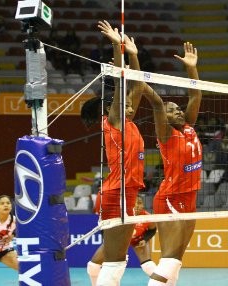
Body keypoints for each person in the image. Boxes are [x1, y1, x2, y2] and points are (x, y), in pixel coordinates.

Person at [80, 20, 149, 286]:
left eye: (132, 106)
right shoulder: (114, 121)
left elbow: (139, 87)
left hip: (126, 192)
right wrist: (116, 46)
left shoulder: (129, 123)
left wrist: (134, 54)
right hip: (117, 192)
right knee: (116, 259)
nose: (131, 107)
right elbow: (123, 85)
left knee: (117, 258)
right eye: (126, 104)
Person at [136, 42, 203, 285]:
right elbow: (155, 103)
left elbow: (195, 94)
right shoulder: (166, 135)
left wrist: (191, 69)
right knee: (171, 258)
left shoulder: (188, 127)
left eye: (178, 109)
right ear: (164, 118)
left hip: (189, 196)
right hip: (171, 198)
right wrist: (136, 77)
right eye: (172, 110)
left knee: (176, 259)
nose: (178, 112)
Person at [87, 196, 157, 286]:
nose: (137, 205)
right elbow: (105, 230)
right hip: (118, 242)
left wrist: (144, 239)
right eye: (134, 203)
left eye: (139, 203)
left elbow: (152, 230)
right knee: (92, 267)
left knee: (148, 266)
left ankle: (165, 283)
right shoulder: (118, 216)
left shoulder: (147, 217)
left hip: (137, 240)